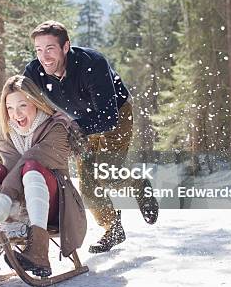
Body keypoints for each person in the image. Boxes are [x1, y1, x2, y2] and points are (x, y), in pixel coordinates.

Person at [23, 20, 159, 254]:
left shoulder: (92, 64)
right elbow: (19, 96)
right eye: (38, 50)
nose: (44, 57)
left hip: (115, 114)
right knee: (87, 183)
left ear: (66, 47)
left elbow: (108, 118)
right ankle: (112, 228)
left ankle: (139, 184)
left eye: (50, 49)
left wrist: (75, 126)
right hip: (79, 122)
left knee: (107, 174)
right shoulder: (35, 72)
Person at [0, 75, 86, 279]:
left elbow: (29, 159)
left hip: (55, 207)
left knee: (32, 167)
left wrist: (5, 196)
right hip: (18, 205)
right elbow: (11, 168)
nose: (16, 114)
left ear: (35, 102)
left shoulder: (58, 128)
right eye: (9, 108)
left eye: (22, 105)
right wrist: (5, 197)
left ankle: (39, 252)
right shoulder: (6, 132)